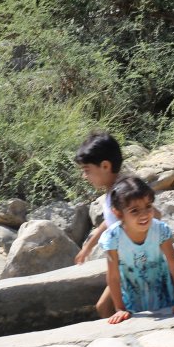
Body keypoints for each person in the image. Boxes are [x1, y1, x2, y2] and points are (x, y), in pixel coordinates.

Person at [98, 176, 174, 324]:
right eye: (134, 210)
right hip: (132, 302)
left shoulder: (160, 230)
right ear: (118, 213)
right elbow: (113, 276)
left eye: (148, 206)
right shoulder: (113, 238)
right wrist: (119, 308)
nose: (144, 214)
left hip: (163, 297)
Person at [73, 132, 124, 318]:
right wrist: (88, 246)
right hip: (121, 263)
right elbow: (110, 221)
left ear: (105, 166)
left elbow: (153, 215)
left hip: (131, 265)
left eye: (87, 170)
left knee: (105, 307)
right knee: (105, 307)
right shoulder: (113, 192)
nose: (84, 176)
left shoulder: (123, 193)